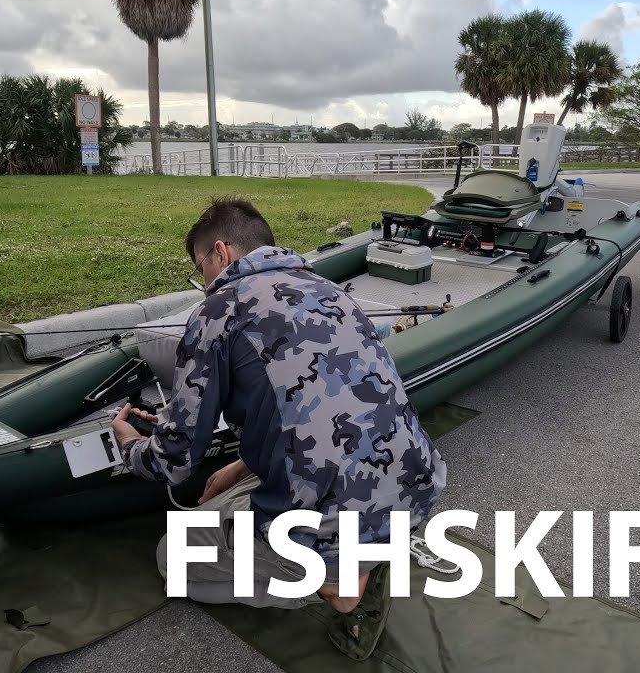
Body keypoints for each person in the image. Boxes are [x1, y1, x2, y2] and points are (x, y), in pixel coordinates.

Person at [110, 196, 446, 652]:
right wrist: (238, 467)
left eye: (200, 269)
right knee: (227, 495)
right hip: (415, 489)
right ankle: (371, 547)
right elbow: (317, 416)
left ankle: (339, 585)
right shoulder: (331, 292)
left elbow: (174, 462)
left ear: (221, 254)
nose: (203, 283)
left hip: (329, 520)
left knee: (174, 557)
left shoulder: (217, 310)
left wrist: (130, 443)